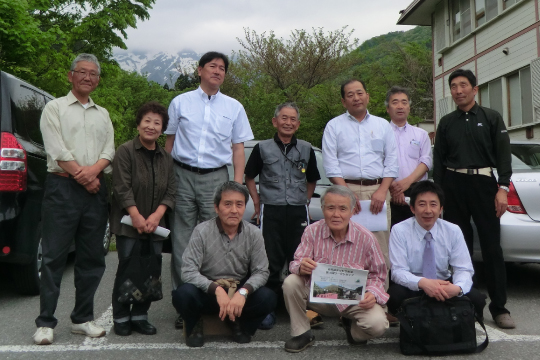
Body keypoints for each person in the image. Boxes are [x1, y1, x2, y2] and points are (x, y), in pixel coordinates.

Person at [164, 51, 254, 328]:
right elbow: (169, 142)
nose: (217, 71)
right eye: (212, 66)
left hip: (216, 178)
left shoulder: (234, 107)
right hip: (181, 174)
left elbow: (238, 149)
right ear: (200, 70)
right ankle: (184, 302)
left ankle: (214, 298)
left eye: (222, 68)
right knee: (182, 238)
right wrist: (166, 177)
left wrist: (236, 186)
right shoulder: (180, 102)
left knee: (214, 239)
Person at [34, 53, 115, 345]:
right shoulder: (54, 108)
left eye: (93, 74)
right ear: (70, 76)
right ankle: (45, 322)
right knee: (54, 255)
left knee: (92, 257)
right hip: (62, 187)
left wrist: (92, 175)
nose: (87, 77)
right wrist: (84, 176)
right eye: (82, 72)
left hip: (95, 191)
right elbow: (56, 147)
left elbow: (109, 150)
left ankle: (82, 318)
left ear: (98, 80)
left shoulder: (102, 113)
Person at [433, 69, 514, 329]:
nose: (458, 91)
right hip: (453, 184)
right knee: (460, 248)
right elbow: (439, 162)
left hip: (484, 184)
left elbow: (503, 156)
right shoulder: (446, 122)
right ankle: (468, 302)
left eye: (463, 85)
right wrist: (439, 194)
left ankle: (500, 307)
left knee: (492, 247)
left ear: (474, 89)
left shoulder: (491, 117)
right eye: (454, 86)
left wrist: (502, 188)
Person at [322, 78, 398, 324]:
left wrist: (382, 190)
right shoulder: (334, 126)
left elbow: (392, 161)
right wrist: (347, 195)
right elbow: (330, 162)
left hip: (377, 191)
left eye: (360, 93)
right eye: (350, 95)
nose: (356, 98)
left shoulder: (383, 125)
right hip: (346, 191)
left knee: (379, 249)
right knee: (346, 249)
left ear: (367, 96)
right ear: (343, 100)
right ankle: (347, 308)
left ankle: (379, 304)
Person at [282, 185, 389, 353]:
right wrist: (301, 267)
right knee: (291, 282)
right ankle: (302, 333)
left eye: (343, 209)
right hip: (319, 296)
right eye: (330, 208)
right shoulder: (312, 231)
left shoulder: (366, 237)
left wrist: (373, 293)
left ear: (353, 211)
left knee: (378, 325)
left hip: (354, 300)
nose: (336, 214)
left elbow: (379, 274)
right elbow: (295, 263)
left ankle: (354, 332)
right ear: (323, 209)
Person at [172, 181, 277, 347]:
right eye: (227, 204)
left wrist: (243, 293)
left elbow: (261, 272)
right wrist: (217, 290)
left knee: (268, 297)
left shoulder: (254, 234)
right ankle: (195, 324)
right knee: (182, 294)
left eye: (239, 204)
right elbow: (188, 271)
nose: (234, 210)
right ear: (216, 207)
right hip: (209, 293)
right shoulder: (202, 231)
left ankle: (239, 323)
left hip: (237, 292)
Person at [244, 102, 321, 329]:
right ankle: (267, 309)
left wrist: (305, 200)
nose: (288, 123)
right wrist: (257, 202)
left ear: (298, 124)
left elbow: (312, 178)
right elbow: (250, 176)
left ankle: (306, 308)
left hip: (298, 210)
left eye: (293, 119)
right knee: (270, 259)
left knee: (301, 257)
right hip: (272, 209)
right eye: (284, 118)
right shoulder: (262, 148)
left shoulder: (306, 149)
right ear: (275, 121)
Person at [109, 102, 176, 336]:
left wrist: (157, 216)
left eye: (157, 123)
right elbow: (121, 186)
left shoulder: (166, 158)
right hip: (129, 224)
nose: (151, 126)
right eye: (147, 121)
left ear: (162, 129)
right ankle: (120, 316)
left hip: (156, 226)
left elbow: (171, 190)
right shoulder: (126, 151)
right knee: (127, 268)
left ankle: (140, 315)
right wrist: (136, 216)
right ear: (138, 124)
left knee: (150, 270)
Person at [387, 181, 486, 318]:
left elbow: (464, 268)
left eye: (433, 205)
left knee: (477, 299)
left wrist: (457, 288)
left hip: (444, 283)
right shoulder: (399, 230)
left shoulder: (453, 230)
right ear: (412, 208)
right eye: (422, 204)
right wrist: (423, 283)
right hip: (415, 284)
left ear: (441, 209)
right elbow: (398, 271)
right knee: (394, 296)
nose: (428, 210)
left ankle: (457, 328)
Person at [386, 86, 432, 227]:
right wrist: (394, 187)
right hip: (388, 190)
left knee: (418, 234)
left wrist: (406, 183)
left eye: (404, 102)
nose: (400, 106)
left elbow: (426, 161)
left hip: (416, 191)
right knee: (392, 236)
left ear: (409, 108)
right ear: (388, 108)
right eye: (395, 102)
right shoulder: (380, 133)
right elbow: (378, 162)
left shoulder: (421, 134)